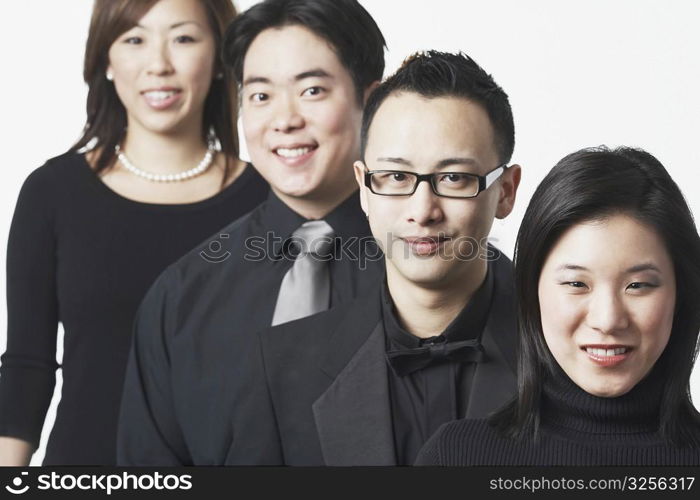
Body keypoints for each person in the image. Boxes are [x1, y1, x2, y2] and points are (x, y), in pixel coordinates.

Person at [117, 0, 386, 465]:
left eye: (313, 90)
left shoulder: (438, 270)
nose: (284, 120)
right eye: (260, 96)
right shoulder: (181, 297)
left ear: (373, 100)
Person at [0, 0, 269, 466]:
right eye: (134, 39)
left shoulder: (269, 199)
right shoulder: (52, 193)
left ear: (223, 60)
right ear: (106, 59)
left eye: (183, 38)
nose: (158, 65)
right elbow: (27, 365)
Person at [225, 51, 523, 466]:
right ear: (364, 187)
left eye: (454, 178)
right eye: (396, 177)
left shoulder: (576, 348)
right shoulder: (281, 366)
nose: (423, 210)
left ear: (505, 191)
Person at [416, 147, 700, 466]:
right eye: (577, 284)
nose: (607, 320)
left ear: (681, 294)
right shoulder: (456, 458)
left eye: (638, 286)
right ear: (531, 291)